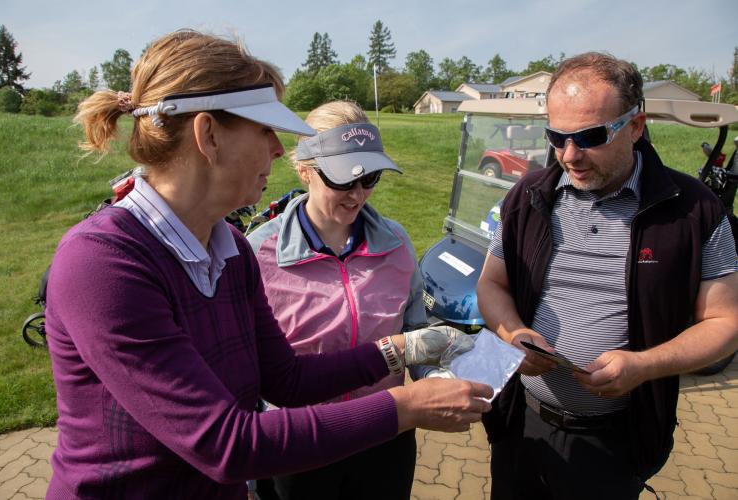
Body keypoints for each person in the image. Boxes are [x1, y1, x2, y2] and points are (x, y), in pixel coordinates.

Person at [44, 30, 492, 499]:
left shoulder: (230, 250)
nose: (279, 150)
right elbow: (227, 445)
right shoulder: (103, 262)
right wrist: (407, 406)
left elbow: (286, 379)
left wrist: (405, 347)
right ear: (208, 135)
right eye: (264, 130)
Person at [476, 52, 738, 499]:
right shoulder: (528, 195)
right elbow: (491, 284)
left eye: (590, 137)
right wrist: (514, 332)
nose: (569, 155)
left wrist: (645, 365)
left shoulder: (695, 210)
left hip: (613, 443)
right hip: (521, 425)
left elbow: (726, 323)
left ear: (635, 126)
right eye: (557, 137)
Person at [247, 100, 450, 500]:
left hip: (386, 432)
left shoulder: (397, 242)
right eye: (342, 179)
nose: (358, 194)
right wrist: (247, 475)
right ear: (304, 170)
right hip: (300, 441)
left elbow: (414, 330)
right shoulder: (258, 253)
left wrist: (435, 377)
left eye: (370, 177)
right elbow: (244, 368)